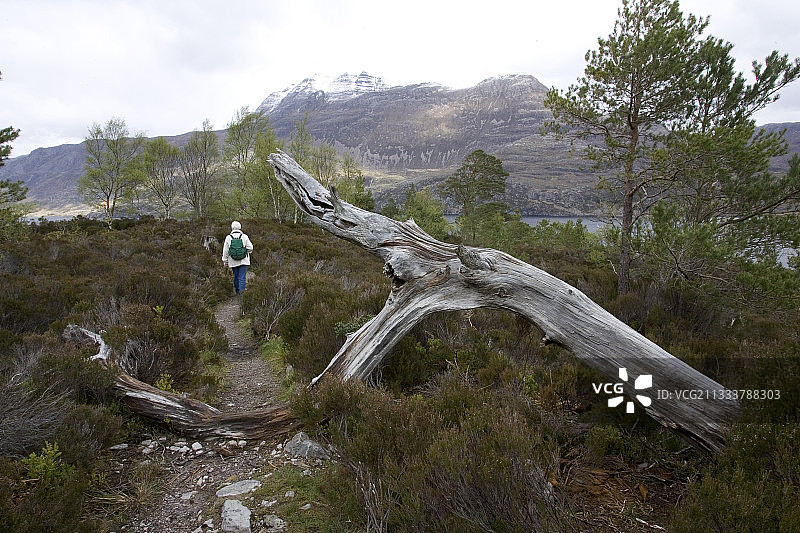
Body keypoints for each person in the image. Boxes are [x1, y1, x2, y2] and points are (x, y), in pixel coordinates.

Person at [222, 221, 254, 295]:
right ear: (240, 227)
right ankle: (241, 294)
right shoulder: (244, 236)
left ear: (232, 228)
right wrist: (245, 252)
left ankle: (237, 291)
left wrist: (225, 261)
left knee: (235, 276)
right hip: (243, 261)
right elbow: (250, 248)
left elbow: (225, 250)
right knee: (242, 277)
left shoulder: (228, 237)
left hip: (233, 260)